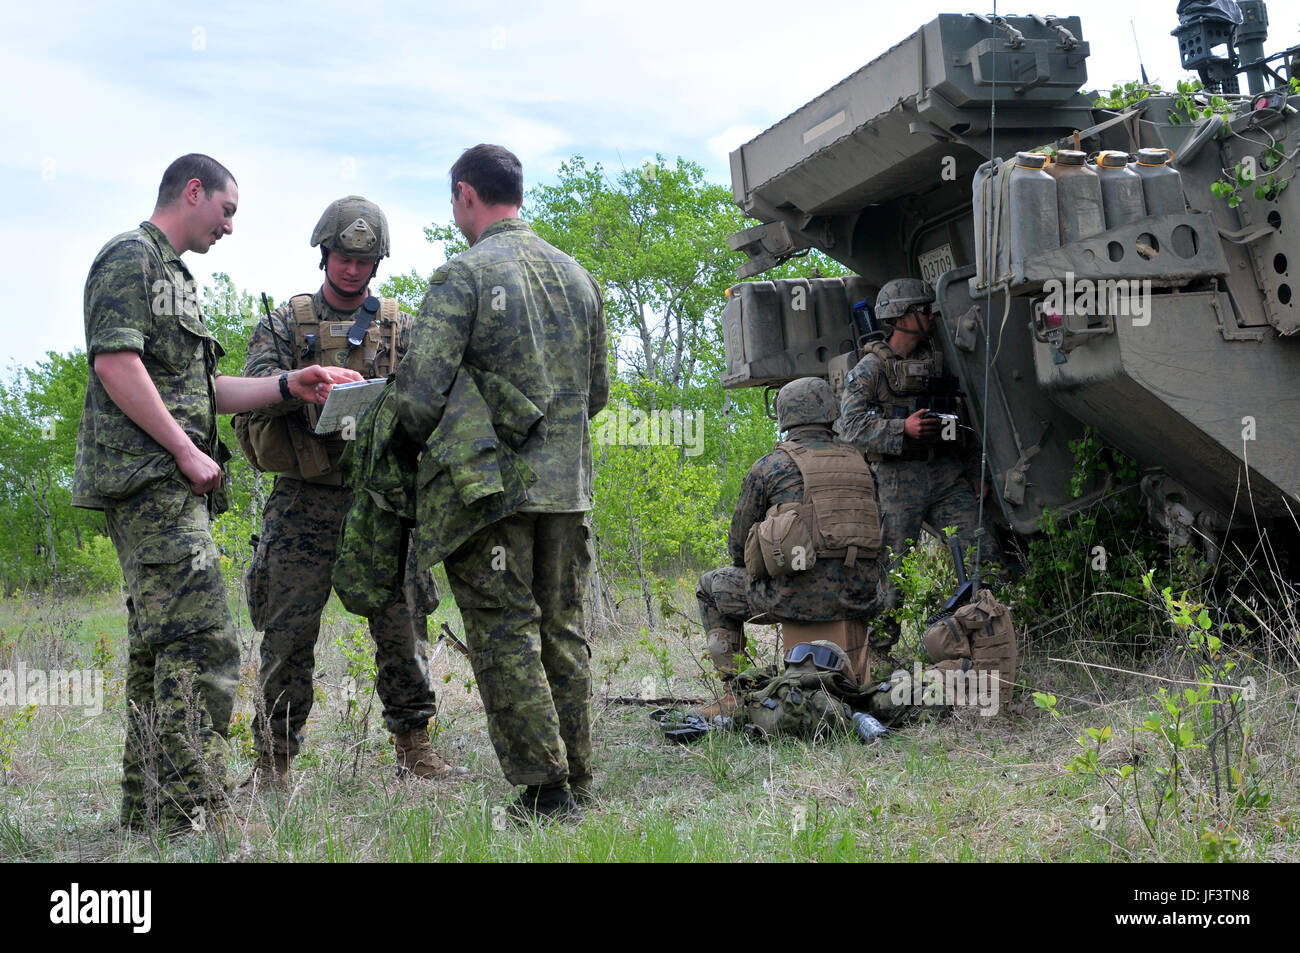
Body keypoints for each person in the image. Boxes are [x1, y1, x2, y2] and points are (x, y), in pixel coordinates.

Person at [72, 154, 361, 833]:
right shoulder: (130, 256)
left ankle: (149, 810)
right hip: (150, 481)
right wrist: (182, 447)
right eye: (226, 210)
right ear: (193, 192)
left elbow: (208, 391)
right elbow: (115, 362)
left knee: (161, 646)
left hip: (169, 481)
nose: (230, 227)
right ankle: (192, 808)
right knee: (202, 642)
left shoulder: (176, 276)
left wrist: (294, 383)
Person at [393, 144, 608, 821]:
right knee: (564, 630)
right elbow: (596, 394)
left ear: (465, 195)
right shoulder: (577, 277)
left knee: (504, 632)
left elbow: (420, 397)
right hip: (566, 489)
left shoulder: (461, 276)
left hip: (491, 494)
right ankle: (576, 772)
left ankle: (546, 792)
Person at [238, 196, 456, 786]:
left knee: (402, 624)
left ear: (378, 261)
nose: (352, 268)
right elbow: (255, 386)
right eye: (342, 256)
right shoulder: (286, 322)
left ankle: (416, 748)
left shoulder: (399, 325)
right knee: (286, 635)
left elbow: (431, 395)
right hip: (302, 499)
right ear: (323, 253)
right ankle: (274, 763)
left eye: (364, 259)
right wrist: (301, 387)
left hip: (378, 500)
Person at [695, 377, 884, 719]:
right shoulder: (863, 465)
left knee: (709, 588)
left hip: (792, 599)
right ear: (831, 412)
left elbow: (738, 551)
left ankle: (736, 690)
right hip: (864, 596)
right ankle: (863, 674)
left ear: (784, 417)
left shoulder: (770, 466)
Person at [836, 278, 1004, 652]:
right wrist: (903, 427)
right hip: (897, 480)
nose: (931, 316)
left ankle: (990, 637)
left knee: (982, 550)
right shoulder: (869, 368)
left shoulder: (941, 356)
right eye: (924, 310)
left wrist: (978, 473)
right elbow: (849, 427)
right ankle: (877, 655)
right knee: (892, 572)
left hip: (946, 474)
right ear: (900, 317)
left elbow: (967, 416)